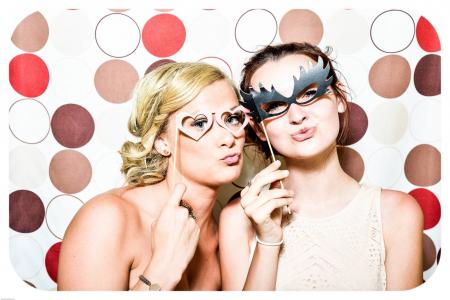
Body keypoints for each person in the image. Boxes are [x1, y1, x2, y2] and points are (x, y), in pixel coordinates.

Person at [219, 42, 423, 291]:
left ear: (339, 97)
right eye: (273, 106)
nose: (296, 116)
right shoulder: (237, 221)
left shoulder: (397, 213)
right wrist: (268, 242)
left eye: (308, 93)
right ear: (259, 128)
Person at [58, 62, 248, 291]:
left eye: (232, 119)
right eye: (199, 123)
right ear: (162, 142)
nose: (228, 138)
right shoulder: (107, 219)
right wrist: (162, 269)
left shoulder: (228, 232)